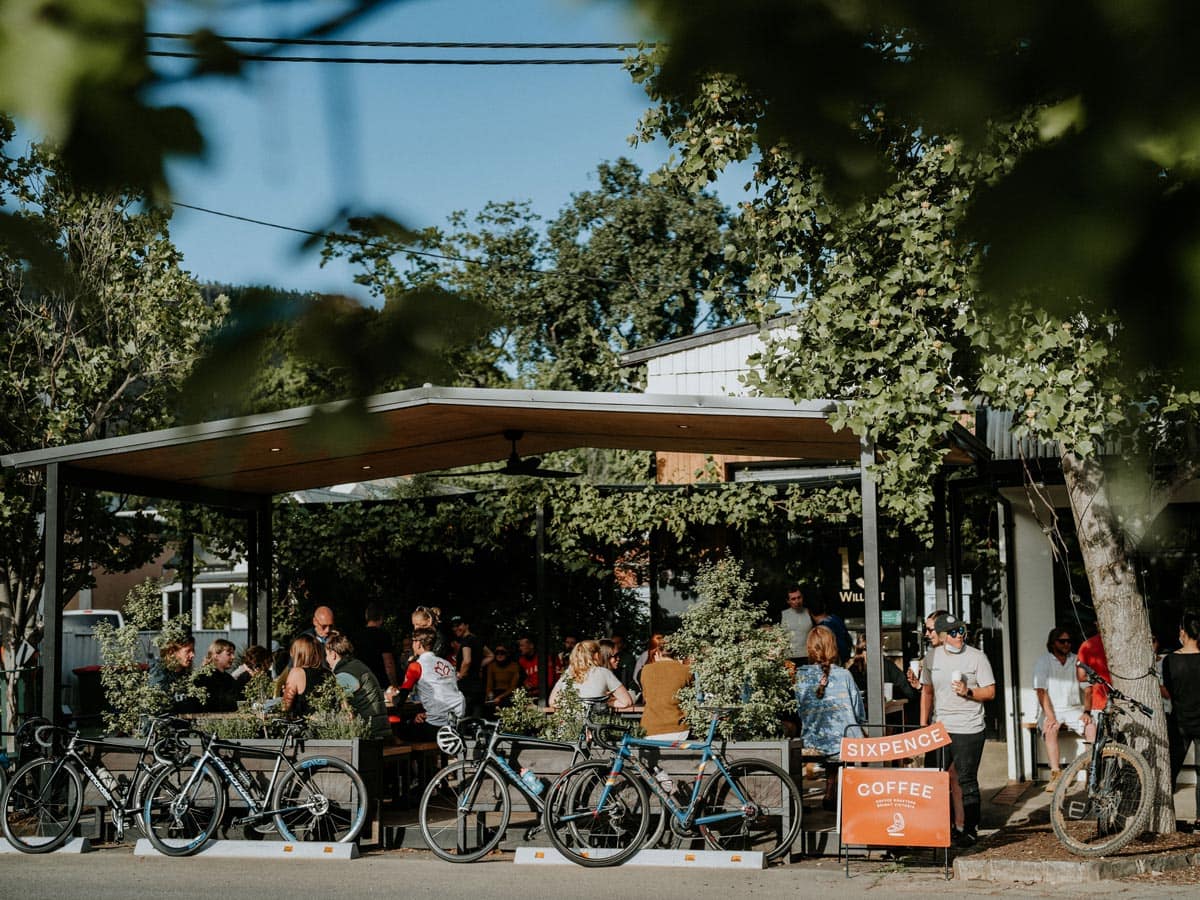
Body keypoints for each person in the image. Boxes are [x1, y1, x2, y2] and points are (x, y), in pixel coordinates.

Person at [920, 612, 995, 848]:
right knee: (936, 779)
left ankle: (970, 829)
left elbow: (990, 692)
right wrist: (924, 724)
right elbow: (927, 691)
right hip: (940, 726)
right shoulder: (931, 658)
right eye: (952, 633)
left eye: (961, 631)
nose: (958, 636)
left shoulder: (977, 657)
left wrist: (968, 692)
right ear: (942, 636)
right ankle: (942, 827)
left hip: (968, 727)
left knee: (966, 779)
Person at [795, 627, 865, 810]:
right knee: (850, 733)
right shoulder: (844, 675)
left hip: (812, 743)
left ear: (810, 648)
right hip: (844, 745)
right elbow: (858, 713)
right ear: (833, 647)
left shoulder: (801, 676)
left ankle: (830, 790)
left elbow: (798, 710)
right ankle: (839, 792)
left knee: (833, 742)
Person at [1033, 627, 1092, 791]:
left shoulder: (1076, 661)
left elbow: (1088, 688)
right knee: (1051, 728)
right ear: (1052, 643)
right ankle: (1056, 774)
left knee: (1091, 727)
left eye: (1069, 641)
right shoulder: (1043, 661)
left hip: (1073, 708)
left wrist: (1087, 712)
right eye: (1062, 641)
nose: (1066, 644)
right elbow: (1040, 690)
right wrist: (1050, 716)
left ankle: (1092, 774)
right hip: (1051, 709)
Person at [387, 627, 466, 741]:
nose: (412, 645)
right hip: (456, 724)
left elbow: (400, 701)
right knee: (416, 721)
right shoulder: (447, 664)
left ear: (418, 644)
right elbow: (447, 693)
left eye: (413, 641)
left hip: (436, 728)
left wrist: (391, 697)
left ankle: (413, 758)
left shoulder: (416, 666)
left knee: (398, 730)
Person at [1163, 609, 1200, 823]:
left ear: (1183, 632)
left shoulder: (1170, 661)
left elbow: (1169, 690)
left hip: (1180, 721)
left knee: (1171, 770)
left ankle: (1166, 814)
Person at [324, 631, 391, 741]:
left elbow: (346, 711)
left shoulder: (344, 675)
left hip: (369, 734)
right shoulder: (357, 665)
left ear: (333, 654)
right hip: (380, 728)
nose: (326, 660)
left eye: (326, 655)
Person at [549, 640, 634, 710]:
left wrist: (575, 705)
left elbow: (553, 701)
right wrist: (604, 703)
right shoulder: (604, 672)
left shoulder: (568, 673)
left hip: (570, 726)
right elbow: (626, 702)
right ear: (596, 655)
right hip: (594, 726)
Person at [639, 637, 692, 740]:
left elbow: (646, 698)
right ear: (676, 653)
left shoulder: (646, 670)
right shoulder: (686, 671)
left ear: (658, 652)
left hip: (651, 728)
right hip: (679, 728)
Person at [150, 633, 202, 714]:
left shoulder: (189, 677)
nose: (192, 655)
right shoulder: (159, 675)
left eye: (193, 651)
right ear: (172, 652)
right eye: (188, 651)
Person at [281, 634, 331, 717]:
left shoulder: (297, 673)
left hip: (304, 725)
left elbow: (284, 707)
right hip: (326, 725)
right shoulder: (329, 673)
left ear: (298, 654)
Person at [1076, 620, 1111, 737]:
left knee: (1096, 742)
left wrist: (1095, 678)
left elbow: (1081, 676)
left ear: (1096, 624)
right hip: (1123, 700)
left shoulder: (1087, 646)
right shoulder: (1123, 644)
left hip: (1099, 700)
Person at [450, 615, 488, 718]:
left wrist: (460, 675)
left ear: (467, 625)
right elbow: (491, 656)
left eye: (459, 625)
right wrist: (477, 666)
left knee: (463, 719)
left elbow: (467, 661)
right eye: (454, 626)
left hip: (467, 686)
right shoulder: (477, 639)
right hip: (478, 686)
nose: (456, 628)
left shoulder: (466, 641)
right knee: (477, 720)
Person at [356, 603, 399, 690]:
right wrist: (394, 685)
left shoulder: (356, 636)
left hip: (362, 682)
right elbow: (388, 663)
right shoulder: (383, 635)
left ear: (366, 617)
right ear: (381, 618)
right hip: (381, 683)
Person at [805, 593, 853, 665]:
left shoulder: (820, 631)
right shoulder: (836, 619)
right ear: (824, 606)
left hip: (832, 665)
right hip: (843, 662)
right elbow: (849, 641)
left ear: (808, 612)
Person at [195, 638, 240, 713]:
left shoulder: (228, 678)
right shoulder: (204, 677)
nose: (233, 657)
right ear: (216, 656)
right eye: (229, 654)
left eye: (233, 654)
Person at [781, 585, 814, 667]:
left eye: (799, 597)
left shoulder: (810, 612)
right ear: (788, 601)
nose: (797, 601)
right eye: (793, 599)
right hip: (788, 657)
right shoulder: (783, 614)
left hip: (807, 656)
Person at [485, 644, 523, 709]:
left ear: (507, 654)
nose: (499, 655)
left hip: (508, 693)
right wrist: (488, 696)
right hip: (495, 692)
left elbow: (513, 687)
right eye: (497, 653)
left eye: (502, 653)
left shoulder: (514, 666)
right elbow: (489, 684)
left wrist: (500, 697)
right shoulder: (491, 666)